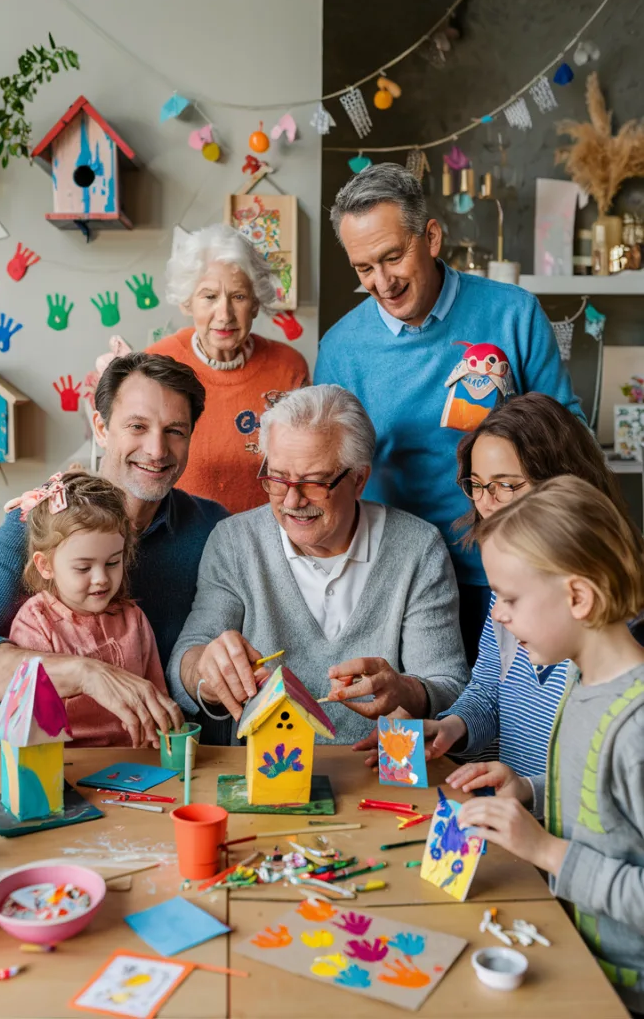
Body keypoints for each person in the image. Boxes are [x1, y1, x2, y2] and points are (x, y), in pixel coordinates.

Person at [314, 163, 586, 665]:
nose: (382, 282)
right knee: (419, 726)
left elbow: (570, 441)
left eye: (393, 257)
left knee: (507, 724)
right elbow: (327, 471)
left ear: (432, 237)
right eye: (363, 268)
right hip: (395, 580)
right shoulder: (340, 348)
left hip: (508, 572)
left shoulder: (513, 313)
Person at [166, 384, 469, 745]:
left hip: (378, 774)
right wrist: (205, 669)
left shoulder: (418, 548)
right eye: (277, 478)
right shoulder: (234, 541)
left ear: (358, 480)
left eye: (313, 482)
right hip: (267, 775)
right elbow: (184, 663)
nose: (292, 500)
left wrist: (409, 691)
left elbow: (449, 685)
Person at [351, 393, 637, 774]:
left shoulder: (615, 627)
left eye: (505, 485)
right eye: (477, 484)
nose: (486, 503)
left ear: (561, 482)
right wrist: (451, 727)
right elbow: (489, 693)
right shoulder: (512, 589)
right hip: (519, 817)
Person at [0, 352, 228, 749]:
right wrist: (85, 673)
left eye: (175, 430)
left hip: (169, 761)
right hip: (58, 766)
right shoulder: (38, 522)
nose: (157, 450)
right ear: (101, 428)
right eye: (137, 426)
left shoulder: (214, 529)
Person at [451, 477, 644, 1018]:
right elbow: (612, 816)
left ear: (578, 596)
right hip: (577, 956)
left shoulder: (637, 725)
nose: (496, 616)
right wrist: (531, 792)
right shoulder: (581, 685)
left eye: (509, 599)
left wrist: (546, 852)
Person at [148, 223, 310, 513]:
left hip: (265, 537)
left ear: (256, 304)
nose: (224, 314)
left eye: (238, 297)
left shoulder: (288, 367)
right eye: (209, 297)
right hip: (178, 535)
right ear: (188, 302)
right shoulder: (156, 365)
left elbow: (305, 463)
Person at [8, 471, 166, 747]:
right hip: (64, 764)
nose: (101, 578)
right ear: (45, 566)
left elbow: (156, 699)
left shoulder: (133, 619)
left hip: (136, 763)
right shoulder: (36, 623)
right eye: (83, 567)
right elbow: (28, 722)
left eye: (113, 562)